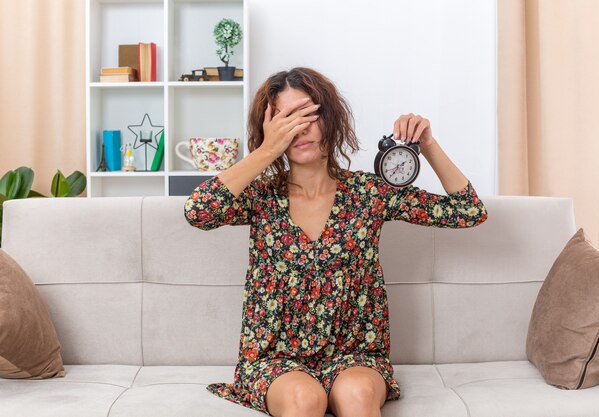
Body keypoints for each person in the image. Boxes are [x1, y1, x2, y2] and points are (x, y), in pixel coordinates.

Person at [184, 67, 488, 417]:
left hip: (356, 355)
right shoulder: (261, 196)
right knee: (305, 399)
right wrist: (266, 151)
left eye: (308, 115)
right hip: (274, 360)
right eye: (286, 119)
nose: (300, 128)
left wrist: (428, 144)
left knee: (357, 394)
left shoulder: (368, 193)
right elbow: (198, 212)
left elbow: (468, 211)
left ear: (330, 119)